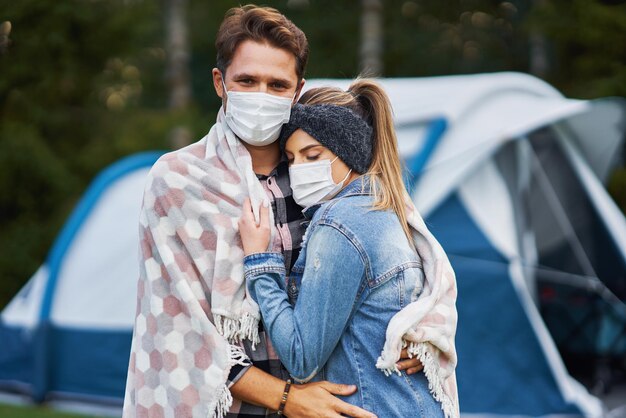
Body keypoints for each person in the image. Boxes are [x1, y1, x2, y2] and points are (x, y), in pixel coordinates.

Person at [122, 6, 419, 418]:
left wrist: (418, 335)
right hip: (228, 409)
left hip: (331, 403)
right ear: (219, 82)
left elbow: (411, 264)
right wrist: (288, 399)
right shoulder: (178, 180)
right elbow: (180, 327)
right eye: (247, 80)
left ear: (297, 91)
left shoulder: (323, 172)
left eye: (277, 85)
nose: (261, 95)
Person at [239, 80, 460, 417]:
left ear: (349, 151)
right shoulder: (387, 208)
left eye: (313, 156)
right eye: (291, 159)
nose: (299, 170)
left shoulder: (339, 222)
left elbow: (301, 358)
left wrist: (259, 262)